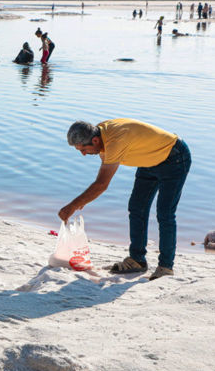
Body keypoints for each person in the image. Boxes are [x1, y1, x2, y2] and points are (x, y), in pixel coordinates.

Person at [60, 119, 190, 280]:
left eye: (84, 149)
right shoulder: (99, 134)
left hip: (174, 158)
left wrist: (73, 205)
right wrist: (81, 201)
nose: (84, 154)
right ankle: (137, 260)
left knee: (165, 213)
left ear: (95, 140)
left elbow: (101, 184)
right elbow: (102, 177)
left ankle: (166, 267)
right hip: (149, 160)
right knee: (137, 208)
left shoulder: (114, 141)